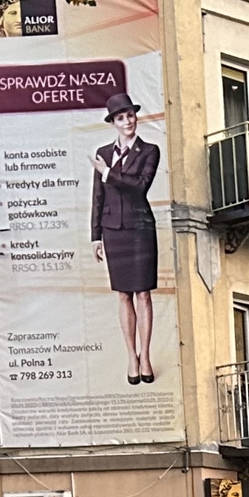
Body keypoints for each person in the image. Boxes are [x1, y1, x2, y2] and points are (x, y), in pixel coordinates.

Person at [90, 91, 162, 386]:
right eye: (121, 117)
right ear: (114, 123)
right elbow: (97, 196)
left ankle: (145, 355)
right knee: (123, 294)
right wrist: (95, 235)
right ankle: (130, 355)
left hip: (140, 228)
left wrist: (107, 173)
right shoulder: (103, 153)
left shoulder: (150, 150)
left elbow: (140, 187)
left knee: (143, 293)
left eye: (130, 115)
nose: (127, 121)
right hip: (113, 230)